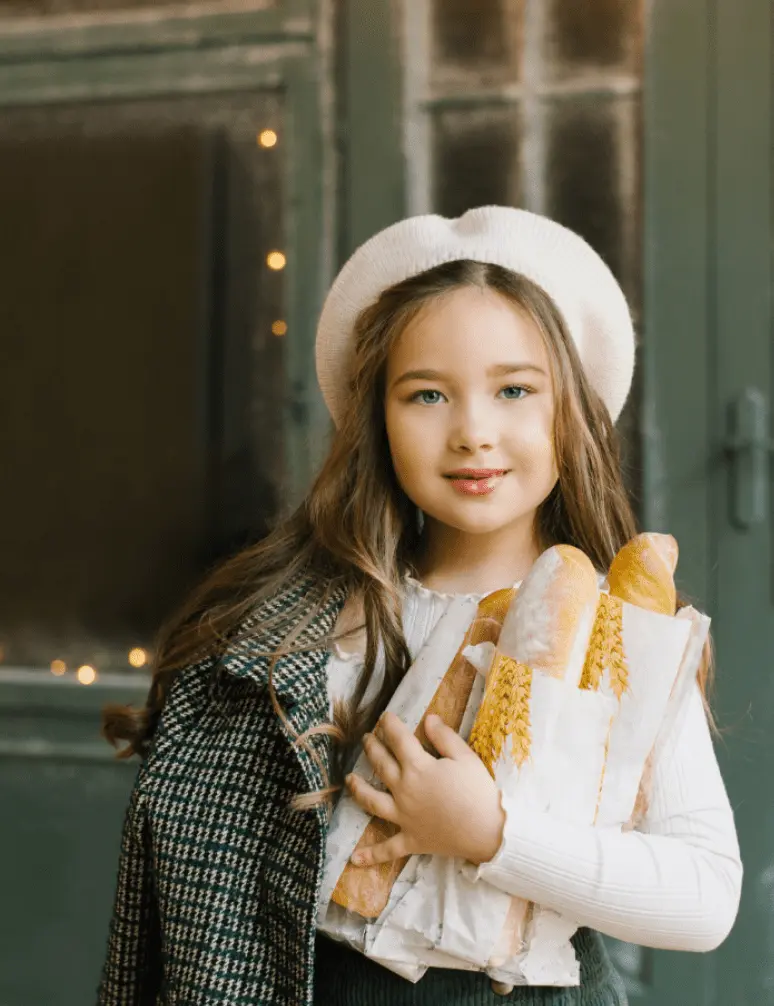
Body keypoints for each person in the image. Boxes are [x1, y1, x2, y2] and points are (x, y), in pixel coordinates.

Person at [98, 207, 742, 1006]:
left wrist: (493, 834)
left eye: (514, 389)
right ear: (378, 420)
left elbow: (706, 897)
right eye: (428, 395)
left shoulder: (618, 637)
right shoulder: (308, 626)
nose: (473, 431)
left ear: (570, 412)